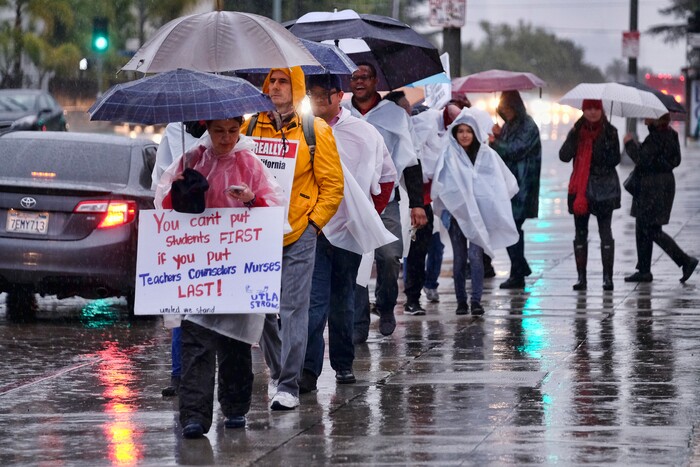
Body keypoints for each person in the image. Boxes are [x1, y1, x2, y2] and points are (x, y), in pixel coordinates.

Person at [154, 117, 284, 439]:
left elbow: (274, 210)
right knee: (195, 342)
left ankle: (236, 408)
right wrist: (181, 189)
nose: (225, 139)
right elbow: (164, 207)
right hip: (200, 267)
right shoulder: (191, 158)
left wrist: (251, 199)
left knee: (236, 342)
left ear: (240, 129)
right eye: (218, 131)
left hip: (239, 268)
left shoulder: (250, 163)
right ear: (208, 130)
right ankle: (194, 415)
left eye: (232, 131)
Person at [242, 67, 344, 410]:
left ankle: (289, 383)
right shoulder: (250, 127)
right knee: (260, 310)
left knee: (294, 308)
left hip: (300, 232)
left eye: (283, 81)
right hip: (257, 230)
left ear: (297, 87)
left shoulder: (316, 130)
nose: (274, 87)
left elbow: (333, 187)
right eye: (271, 81)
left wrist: (314, 225)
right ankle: (277, 369)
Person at [299, 73, 396, 393]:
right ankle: (308, 369)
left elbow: (385, 176)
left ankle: (343, 364)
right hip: (313, 229)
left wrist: (367, 212)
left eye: (318, 95)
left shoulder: (364, 133)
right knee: (313, 303)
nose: (313, 101)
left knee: (343, 300)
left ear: (337, 96)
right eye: (309, 95)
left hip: (349, 230)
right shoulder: (301, 131)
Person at [344, 63, 427, 340]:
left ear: (375, 80)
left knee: (389, 256)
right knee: (354, 259)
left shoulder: (394, 115)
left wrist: (417, 203)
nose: (358, 82)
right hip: (351, 201)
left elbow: (410, 159)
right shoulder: (341, 113)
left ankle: (387, 304)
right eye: (353, 77)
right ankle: (358, 321)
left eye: (364, 77)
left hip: (386, 199)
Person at [432, 108, 519, 315]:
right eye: (460, 130)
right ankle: (461, 301)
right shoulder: (448, 156)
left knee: (476, 255)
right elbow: (442, 185)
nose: (464, 135)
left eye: (468, 131)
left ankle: (476, 301)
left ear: (475, 133)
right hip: (457, 215)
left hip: (481, 215)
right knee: (460, 258)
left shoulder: (487, 156)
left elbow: (500, 183)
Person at [152, 120, 207, 398]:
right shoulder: (173, 132)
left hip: (219, 234)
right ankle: (179, 374)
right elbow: (157, 183)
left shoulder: (227, 129)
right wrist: (174, 187)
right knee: (182, 306)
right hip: (183, 233)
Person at [623, 113, 698, 283]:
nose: (644, 117)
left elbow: (642, 160)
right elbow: (671, 159)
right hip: (661, 186)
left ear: (656, 118)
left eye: (648, 115)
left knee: (650, 229)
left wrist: (629, 144)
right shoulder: (669, 134)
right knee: (644, 227)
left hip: (653, 187)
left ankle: (685, 261)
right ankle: (644, 270)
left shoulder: (658, 136)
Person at [559, 99, 621, 291]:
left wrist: (603, 143)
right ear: (583, 110)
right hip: (581, 190)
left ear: (601, 110)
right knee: (580, 234)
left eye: (596, 108)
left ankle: (607, 278)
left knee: (605, 233)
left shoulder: (611, 132)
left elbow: (614, 160)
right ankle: (581, 278)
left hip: (604, 189)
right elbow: (564, 155)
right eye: (588, 108)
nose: (593, 112)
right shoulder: (577, 132)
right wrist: (574, 134)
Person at [384, 90, 433, 315]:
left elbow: (417, 165)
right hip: (391, 199)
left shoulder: (421, 127)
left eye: (409, 108)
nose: (409, 112)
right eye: (404, 109)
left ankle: (412, 297)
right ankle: (382, 301)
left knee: (415, 252)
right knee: (386, 256)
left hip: (419, 201)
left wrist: (419, 203)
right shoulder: (384, 130)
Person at [490, 90, 542, 289]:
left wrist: (497, 142)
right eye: (503, 108)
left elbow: (514, 150)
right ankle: (519, 268)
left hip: (523, 185)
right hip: (510, 184)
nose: (506, 111)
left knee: (512, 227)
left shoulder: (528, 126)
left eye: (509, 108)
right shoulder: (508, 126)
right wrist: (496, 137)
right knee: (510, 227)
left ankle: (518, 272)